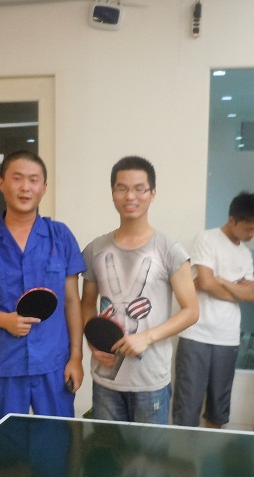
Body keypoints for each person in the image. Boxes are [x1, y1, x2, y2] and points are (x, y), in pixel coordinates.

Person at [0, 149, 85, 427]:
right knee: (5, 444)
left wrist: (76, 357)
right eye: (17, 178)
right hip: (4, 363)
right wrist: (4, 320)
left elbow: (72, 302)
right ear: (1, 183)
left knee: (57, 441)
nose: (25, 187)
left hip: (53, 363)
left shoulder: (60, 236)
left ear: (44, 187)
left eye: (34, 180)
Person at [81, 155, 199, 424]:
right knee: (108, 449)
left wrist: (147, 337)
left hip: (150, 381)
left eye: (139, 189)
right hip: (105, 378)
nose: (130, 196)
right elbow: (86, 303)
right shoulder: (95, 249)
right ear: (113, 193)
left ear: (152, 193)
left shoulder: (169, 249)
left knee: (148, 452)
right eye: (122, 188)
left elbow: (192, 311)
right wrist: (92, 342)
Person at [172, 191, 254, 429]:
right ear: (232, 220)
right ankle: (184, 454)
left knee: (218, 410)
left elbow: (251, 295)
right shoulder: (207, 239)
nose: (252, 234)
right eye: (248, 229)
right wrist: (235, 290)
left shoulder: (245, 254)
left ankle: (209, 454)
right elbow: (205, 283)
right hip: (196, 333)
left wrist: (222, 281)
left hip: (228, 337)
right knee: (187, 407)